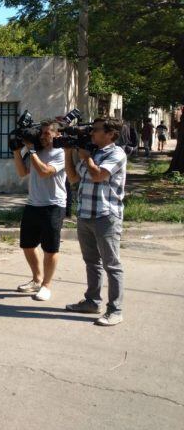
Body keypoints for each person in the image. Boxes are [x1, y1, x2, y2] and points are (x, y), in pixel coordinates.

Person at [64, 117, 127, 326]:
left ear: (110, 134)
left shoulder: (116, 154)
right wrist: (67, 153)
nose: (91, 133)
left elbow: (98, 175)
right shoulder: (93, 152)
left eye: (96, 130)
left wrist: (86, 157)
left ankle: (115, 310)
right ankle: (92, 301)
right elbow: (74, 178)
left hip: (106, 216)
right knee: (91, 261)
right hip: (85, 214)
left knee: (112, 265)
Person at [11, 121, 66, 302]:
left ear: (57, 134)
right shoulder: (36, 151)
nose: (42, 136)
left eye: (47, 133)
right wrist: (17, 151)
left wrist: (32, 151)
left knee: (50, 248)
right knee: (27, 245)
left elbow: (44, 172)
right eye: (41, 133)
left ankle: (46, 286)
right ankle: (37, 279)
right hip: (33, 204)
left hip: (53, 205)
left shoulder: (61, 152)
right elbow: (22, 172)